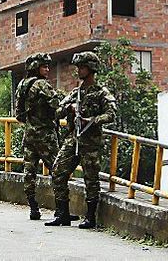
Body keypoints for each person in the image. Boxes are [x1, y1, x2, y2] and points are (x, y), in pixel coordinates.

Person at [45, 52, 117, 230]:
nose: (79, 71)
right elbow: (57, 111)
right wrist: (68, 108)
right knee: (57, 171)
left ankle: (90, 217)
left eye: (82, 67)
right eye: (78, 67)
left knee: (90, 179)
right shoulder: (76, 93)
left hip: (90, 142)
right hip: (73, 139)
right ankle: (62, 213)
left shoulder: (101, 93)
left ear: (91, 69)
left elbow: (111, 114)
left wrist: (92, 120)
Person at [15, 52, 62, 220]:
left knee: (29, 171)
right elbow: (57, 105)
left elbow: (18, 114)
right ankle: (61, 209)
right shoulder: (42, 84)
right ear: (36, 68)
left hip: (29, 134)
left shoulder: (22, 85)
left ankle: (33, 207)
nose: (47, 69)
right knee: (58, 169)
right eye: (44, 66)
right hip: (45, 135)